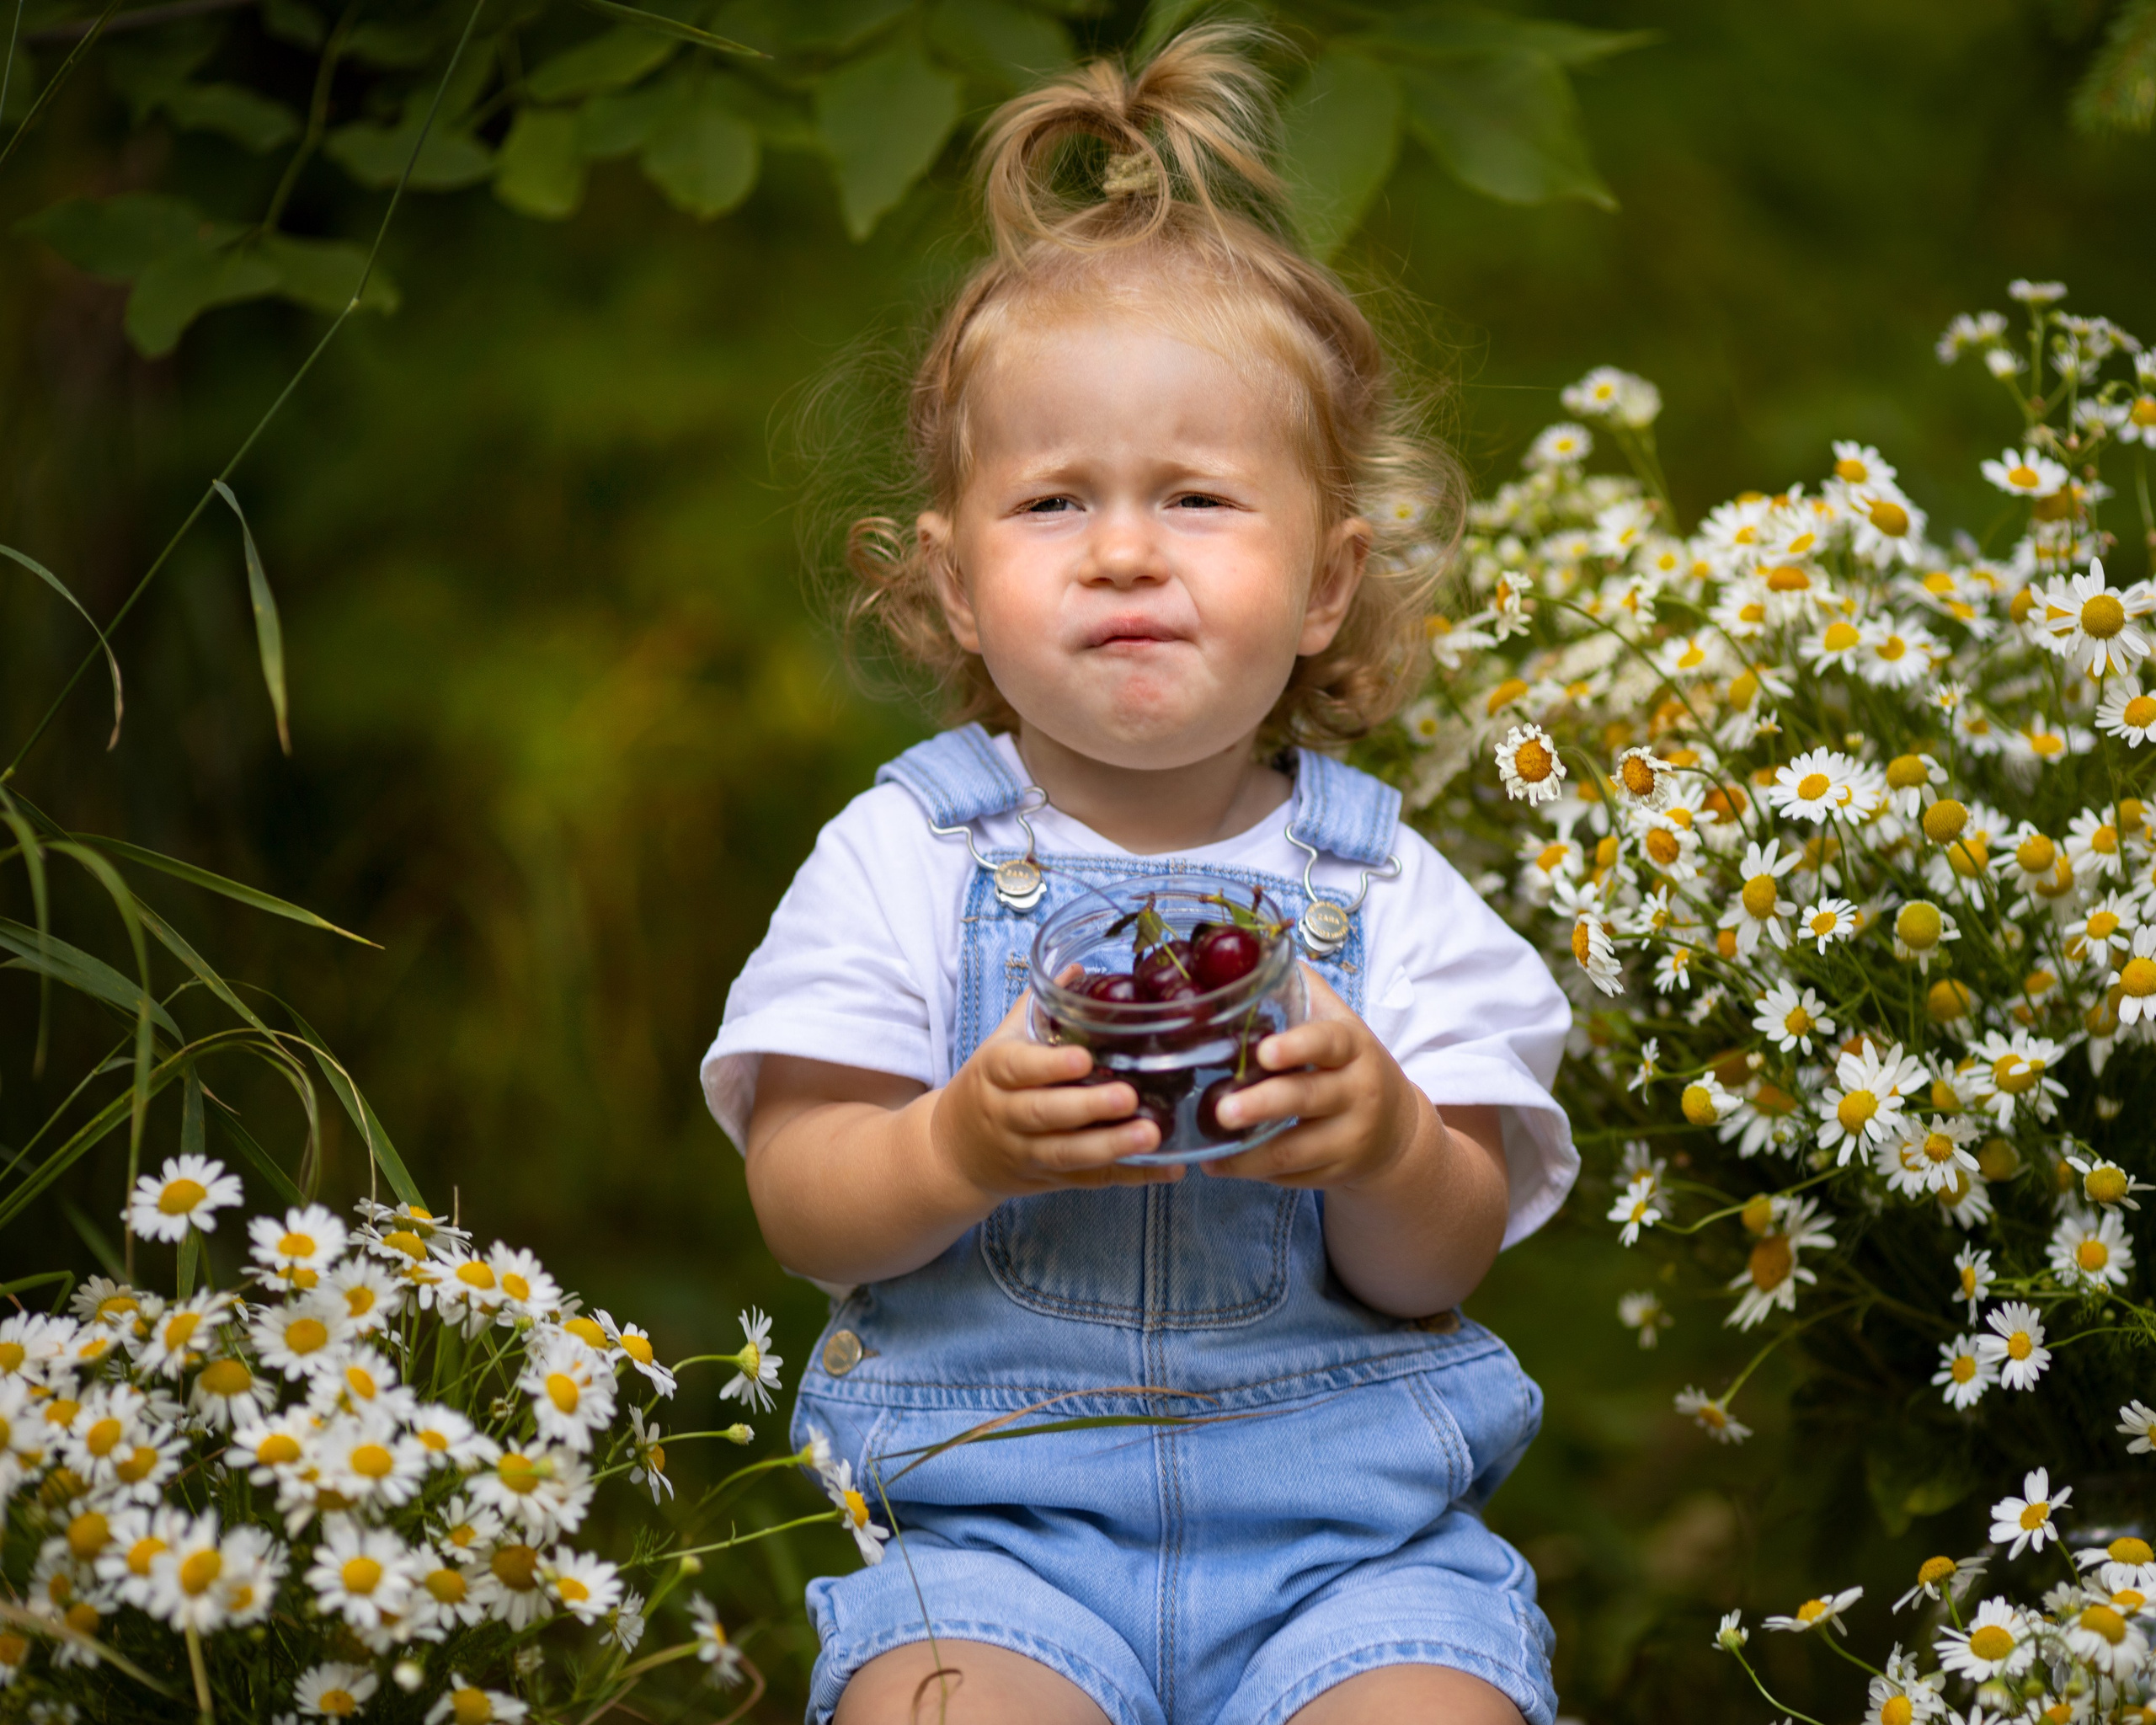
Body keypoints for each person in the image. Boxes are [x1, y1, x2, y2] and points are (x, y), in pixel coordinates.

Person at [701, 26, 1576, 1725]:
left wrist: (1389, 1142)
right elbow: (801, 1195)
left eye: (1194, 498)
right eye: (1050, 504)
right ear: (955, 585)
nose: (1120, 551)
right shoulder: (905, 856)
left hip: (1351, 1547)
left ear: (1325, 582)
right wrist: (952, 1143)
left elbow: (1439, 1263)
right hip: (992, 1534)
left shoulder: (1387, 891)